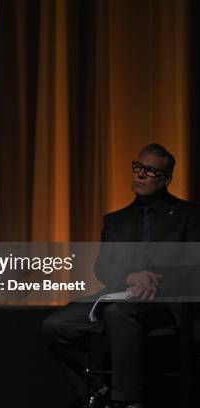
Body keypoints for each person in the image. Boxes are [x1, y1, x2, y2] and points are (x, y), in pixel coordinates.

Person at [42, 144, 200, 408]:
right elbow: (103, 267)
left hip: (167, 301)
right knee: (55, 326)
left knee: (119, 312)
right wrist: (130, 278)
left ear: (166, 179)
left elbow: (194, 264)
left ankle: (129, 401)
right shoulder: (116, 221)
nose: (140, 174)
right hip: (119, 293)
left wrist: (152, 280)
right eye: (138, 167)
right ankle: (96, 389)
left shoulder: (188, 215)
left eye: (149, 171)